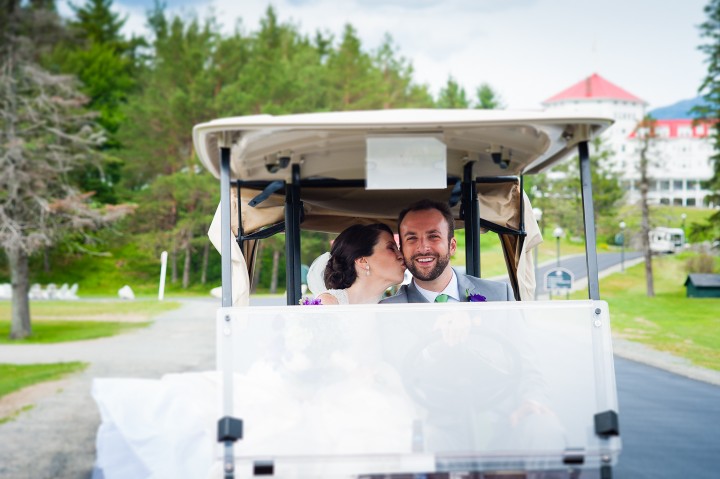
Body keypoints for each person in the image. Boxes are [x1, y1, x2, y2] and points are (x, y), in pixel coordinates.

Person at [381, 199, 514, 303]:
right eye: (412, 238)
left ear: (452, 246)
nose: (422, 248)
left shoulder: (500, 295)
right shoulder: (388, 311)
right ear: (401, 249)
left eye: (433, 237)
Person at [315, 223, 406, 305]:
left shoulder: (391, 308)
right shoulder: (329, 303)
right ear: (362, 261)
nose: (401, 255)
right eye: (391, 248)